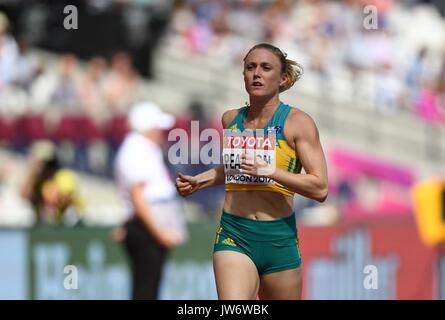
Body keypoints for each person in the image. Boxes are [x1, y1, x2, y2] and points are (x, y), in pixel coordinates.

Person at [176, 43, 328, 300]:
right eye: (250, 67)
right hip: (234, 233)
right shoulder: (230, 120)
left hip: (279, 238)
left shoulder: (298, 123)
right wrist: (200, 180)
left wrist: (270, 171)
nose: (256, 73)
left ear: (282, 78)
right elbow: (237, 168)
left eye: (266, 68)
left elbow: (320, 187)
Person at [114, 102, 188, 300]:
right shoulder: (136, 150)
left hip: (146, 226)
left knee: (149, 288)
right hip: (147, 229)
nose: (161, 132)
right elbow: (138, 197)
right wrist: (160, 232)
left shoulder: (143, 149)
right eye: (157, 127)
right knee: (146, 291)